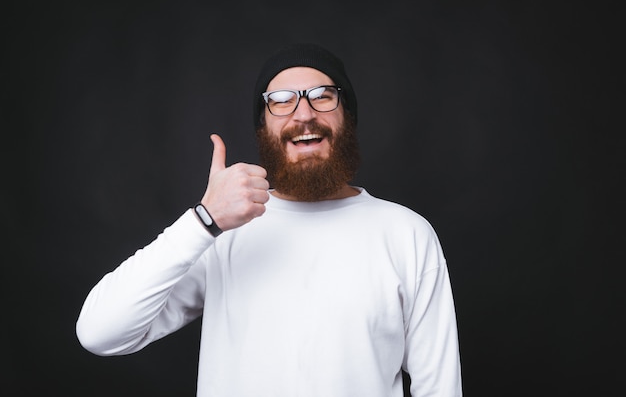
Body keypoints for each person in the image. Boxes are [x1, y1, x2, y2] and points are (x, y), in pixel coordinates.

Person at [76, 42, 463, 396]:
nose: (304, 114)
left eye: (323, 97)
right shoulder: (223, 232)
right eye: (281, 101)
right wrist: (204, 220)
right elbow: (100, 333)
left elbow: (440, 388)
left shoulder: (407, 234)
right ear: (264, 127)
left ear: (348, 117)